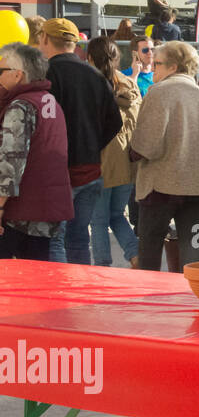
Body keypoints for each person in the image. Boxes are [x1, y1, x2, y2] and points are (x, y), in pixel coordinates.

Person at [130, 41, 199, 271]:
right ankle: (192, 300)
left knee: (150, 250)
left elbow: (146, 146)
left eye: (157, 63)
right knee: (194, 252)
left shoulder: (158, 93)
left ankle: (150, 301)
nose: (153, 67)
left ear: (173, 67)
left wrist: (129, 152)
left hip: (160, 187)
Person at [38, 18, 122, 264]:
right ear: (75, 43)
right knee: (78, 240)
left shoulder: (46, 74)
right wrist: (92, 144)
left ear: (44, 39)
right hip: (90, 169)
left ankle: (61, 296)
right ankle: (80, 296)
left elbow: (41, 125)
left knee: (56, 239)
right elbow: (114, 122)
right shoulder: (95, 75)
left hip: (59, 171)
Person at [0, 42, 73, 260]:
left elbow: (11, 160)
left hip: (22, 210)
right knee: (34, 274)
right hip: (47, 204)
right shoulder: (48, 100)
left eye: (2, 70)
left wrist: (0, 205)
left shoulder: (20, 106)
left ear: (17, 75)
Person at [86, 36, 141, 268]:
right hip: (127, 163)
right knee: (117, 215)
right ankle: (137, 255)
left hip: (101, 163)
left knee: (98, 221)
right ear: (117, 58)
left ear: (89, 58)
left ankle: (102, 267)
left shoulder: (90, 86)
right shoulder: (130, 84)